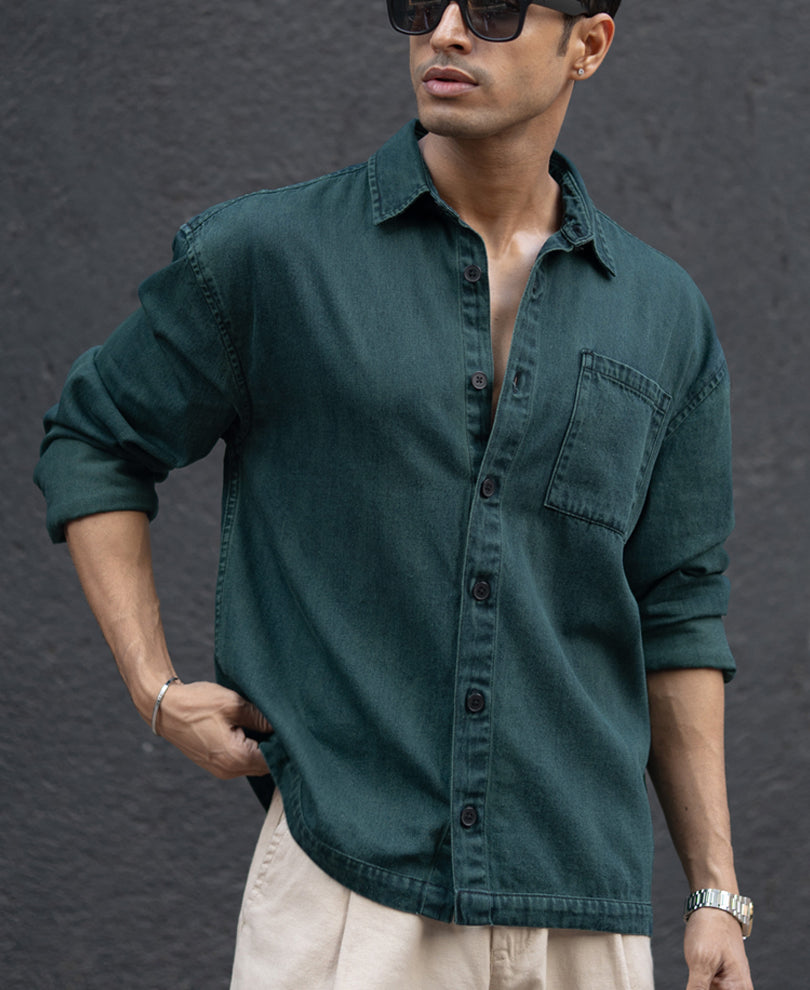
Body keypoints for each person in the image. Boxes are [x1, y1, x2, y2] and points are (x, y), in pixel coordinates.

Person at [35, 2, 755, 988]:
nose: (446, 31)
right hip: (349, 891)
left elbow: (677, 611)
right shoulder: (272, 256)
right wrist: (154, 687)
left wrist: (714, 893)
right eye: (422, 3)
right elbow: (96, 436)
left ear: (587, 44)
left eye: (493, 9)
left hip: (584, 911)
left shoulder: (662, 315)